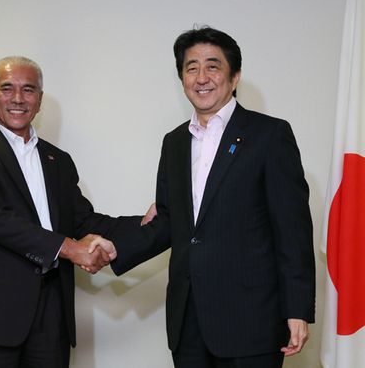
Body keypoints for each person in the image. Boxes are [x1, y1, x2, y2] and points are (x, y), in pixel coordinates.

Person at [109, 27, 315, 368]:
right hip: (188, 320)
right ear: (182, 78)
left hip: (252, 321)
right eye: (191, 68)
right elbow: (171, 221)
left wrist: (297, 309)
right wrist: (116, 248)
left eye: (212, 66)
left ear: (234, 77)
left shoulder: (270, 135)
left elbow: (292, 229)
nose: (201, 77)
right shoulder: (173, 143)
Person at [0, 56, 136, 368]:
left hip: (51, 312)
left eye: (28, 89)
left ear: (40, 99)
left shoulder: (57, 159)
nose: (18, 98)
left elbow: (83, 220)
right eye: (7, 89)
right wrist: (71, 249)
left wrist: (147, 223)